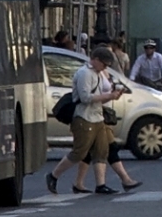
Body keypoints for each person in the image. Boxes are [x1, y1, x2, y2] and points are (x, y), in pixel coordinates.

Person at [50, 45, 139, 196]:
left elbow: (97, 98)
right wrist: (109, 96)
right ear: (95, 60)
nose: (105, 67)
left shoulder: (96, 73)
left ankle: (101, 184)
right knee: (79, 152)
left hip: (97, 117)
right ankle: (53, 175)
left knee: (101, 151)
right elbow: (85, 98)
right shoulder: (85, 74)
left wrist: (112, 96)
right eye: (104, 64)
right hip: (84, 118)